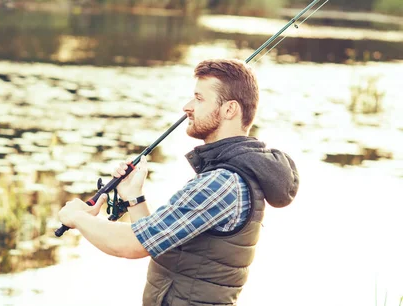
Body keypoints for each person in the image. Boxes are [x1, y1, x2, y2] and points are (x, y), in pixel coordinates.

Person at [58, 59, 300, 306]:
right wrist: (134, 197)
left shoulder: (220, 183)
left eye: (199, 98)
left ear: (229, 110)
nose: (187, 107)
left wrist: (78, 217)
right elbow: (157, 243)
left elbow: (130, 245)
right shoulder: (226, 174)